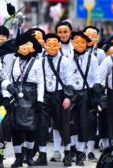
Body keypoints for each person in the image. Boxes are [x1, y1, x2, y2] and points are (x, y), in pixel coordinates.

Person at [35, 33, 74, 167]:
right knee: (42, 126)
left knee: (64, 125)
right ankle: (42, 155)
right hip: (45, 95)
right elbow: (38, 80)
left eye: (54, 44)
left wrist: (67, 97)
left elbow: (69, 80)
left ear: (59, 45)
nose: (52, 47)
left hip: (60, 95)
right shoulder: (40, 61)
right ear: (45, 45)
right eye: (49, 45)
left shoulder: (65, 61)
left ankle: (68, 155)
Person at [9, 37, 44, 167]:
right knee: (15, 129)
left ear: (32, 47)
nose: (24, 45)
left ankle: (29, 157)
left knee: (31, 128)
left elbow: (41, 82)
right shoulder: (12, 60)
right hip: (15, 95)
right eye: (21, 43)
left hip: (32, 96)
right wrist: (8, 96)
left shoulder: (37, 62)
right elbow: (8, 79)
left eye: (27, 43)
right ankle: (18, 158)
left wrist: (40, 100)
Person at [69, 31, 99, 166]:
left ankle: (81, 154)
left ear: (87, 44)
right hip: (71, 94)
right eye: (77, 42)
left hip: (85, 93)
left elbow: (95, 77)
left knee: (83, 124)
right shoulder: (68, 57)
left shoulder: (92, 58)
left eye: (82, 42)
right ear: (72, 43)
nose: (80, 44)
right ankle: (71, 150)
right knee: (69, 123)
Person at [83, 26, 106, 161]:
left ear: (97, 37)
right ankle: (77, 150)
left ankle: (90, 151)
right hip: (79, 91)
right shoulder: (75, 51)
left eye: (93, 35)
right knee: (78, 120)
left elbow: (102, 74)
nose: (90, 38)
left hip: (94, 91)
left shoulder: (100, 53)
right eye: (88, 35)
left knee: (92, 121)